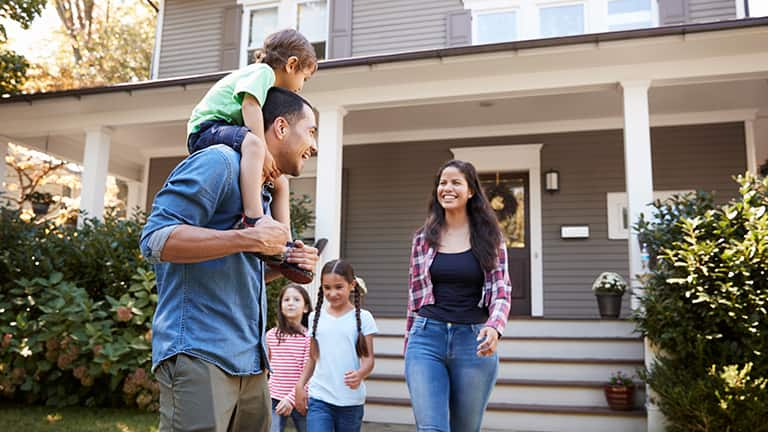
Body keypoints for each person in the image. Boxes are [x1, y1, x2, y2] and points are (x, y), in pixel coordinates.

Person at [140, 87, 320, 432]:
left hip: (251, 362)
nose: (314, 146)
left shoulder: (265, 191)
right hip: (200, 353)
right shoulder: (219, 162)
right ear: (280, 127)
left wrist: (283, 265)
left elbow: (239, 264)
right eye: (310, 132)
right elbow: (155, 240)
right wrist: (247, 237)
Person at [186, 29, 317, 282]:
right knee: (253, 145)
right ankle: (254, 217)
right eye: (304, 78)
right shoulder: (262, 73)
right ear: (291, 65)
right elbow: (249, 106)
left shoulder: (264, 81)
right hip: (207, 127)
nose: (301, 87)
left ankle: (286, 247)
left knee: (280, 181)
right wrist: (263, 149)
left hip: (221, 128)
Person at [404, 159, 512, 432]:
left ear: (471, 191)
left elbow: (501, 289)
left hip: (472, 341)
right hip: (427, 338)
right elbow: (414, 298)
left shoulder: (491, 238)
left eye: (455, 182)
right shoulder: (422, 239)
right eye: (442, 182)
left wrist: (495, 327)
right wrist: (409, 345)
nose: (447, 188)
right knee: (431, 428)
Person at [294, 260, 378, 432]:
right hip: (320, 398)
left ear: (352, 285)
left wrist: (360, 373)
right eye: (327, 288)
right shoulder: (314, 318)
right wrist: (299, 386)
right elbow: (312, 358)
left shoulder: (364, 318)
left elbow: (369, 360)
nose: (332, 293)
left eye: (339, 287)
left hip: (350, 401)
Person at [267, 284, 312, 432]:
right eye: (286, 299)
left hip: (301, 397)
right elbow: (266, 369)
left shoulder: (309, 338)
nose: (291, 303)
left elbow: (309, 373)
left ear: (305, 308)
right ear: (280, 306)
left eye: (296, 299)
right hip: (274, 397)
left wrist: (291, 399)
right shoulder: (271, 335)